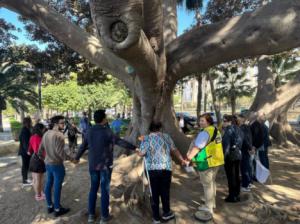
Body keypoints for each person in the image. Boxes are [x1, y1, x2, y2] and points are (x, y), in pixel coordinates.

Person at [74, 110, 137, 224]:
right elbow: (119, 141)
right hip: (105, 166)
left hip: (93, 165)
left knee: (93, 188)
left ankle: (91, 216)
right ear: (103, 119)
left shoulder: (89, 131)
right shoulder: (107, 131)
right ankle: (104, 217)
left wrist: (77, 157)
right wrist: (135, 148)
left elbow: (83, 146)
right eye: (106, 116)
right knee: (104, 190)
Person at [137, 121, 186, 224]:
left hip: (152, 170)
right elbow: (174, 150)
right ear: (160, 128)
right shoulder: (166, 137)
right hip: (166, 168)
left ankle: (156, 218)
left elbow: (141, 154)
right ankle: (166, 213)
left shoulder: (145, 138)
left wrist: (137, 149)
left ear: (149, 129)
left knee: (153, 192)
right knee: (165, 191)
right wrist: (181, 160)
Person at [186, 113, 224, 215]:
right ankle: (212, 203)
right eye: (200, 120)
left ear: (208, 121)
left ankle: (208, 207)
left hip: (207, 161)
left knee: (207, 185)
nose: (200, 122)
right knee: (211, 182)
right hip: (217, 160)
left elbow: (198, 147)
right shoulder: (215, 130)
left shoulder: (205, 132)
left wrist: (189, 158)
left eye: (203, 120)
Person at [38, 115, 75, 217]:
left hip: (48, 164)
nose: (64, 125)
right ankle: (57, 209)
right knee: (57, 187)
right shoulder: (59, 135)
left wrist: (45, 159)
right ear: (55, 124)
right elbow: (60, 153)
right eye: (62, 123)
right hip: (57, 165)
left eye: (64, 123)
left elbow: (39, 151)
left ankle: (50, 206)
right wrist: (72, 159)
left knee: (49, 184)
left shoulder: (46, 134)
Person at [222, 115, 243, 203]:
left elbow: (226, 146)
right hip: (238, 155)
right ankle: (237, 194)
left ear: (229, 121)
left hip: (230, 156)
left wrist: (223, 157)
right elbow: (241, 141)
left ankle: (232, 196)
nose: (223, 122)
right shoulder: (238, 128)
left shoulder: (228, 130)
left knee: (231, 177)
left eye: (224, 121)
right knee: (236, 175)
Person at [28, 123, 46, 201]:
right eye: (43, 129)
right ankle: (38, 195)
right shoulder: (39, 138)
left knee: (35, 179)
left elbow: (29, 151)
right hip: (39, 160)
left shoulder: (31, 137)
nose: (44, 130)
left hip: (32, 159)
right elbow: (42, 151)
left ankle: (38, 193)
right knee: (39, 180)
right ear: (40, 129)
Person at [237, 114, 253, 192]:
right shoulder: (247, 127)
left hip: (244, 150)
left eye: (239, 118)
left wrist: (249, 148)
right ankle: (249, 183)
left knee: (244, 168)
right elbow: (250, 138)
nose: (237, 120)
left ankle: (245, 185)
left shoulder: (242, 128)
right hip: (247, 149)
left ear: (242, 119)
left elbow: (245, 140)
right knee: (248, 167)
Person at [250, 112, 265, 181]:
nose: (249, 116)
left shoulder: (257, 124)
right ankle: (253, 176)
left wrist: (255, 146)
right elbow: (254, 136)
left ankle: (255, 176)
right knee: (254, 162)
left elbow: (258, 137)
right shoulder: (254, 124)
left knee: (255, 162)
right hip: (254, 146)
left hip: (255, 146)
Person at [18, 116, 33, 186]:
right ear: (27, 122)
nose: (31, 123)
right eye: (30, 122)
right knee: (25, 166)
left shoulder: (25, 129)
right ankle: (24, 180)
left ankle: (25, 179)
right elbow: (25, 142)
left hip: (25, 151)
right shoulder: (24, 130)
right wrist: (28, 151)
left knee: (26, 166)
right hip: (25, 152)